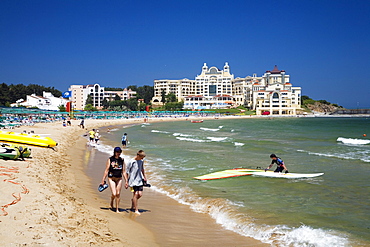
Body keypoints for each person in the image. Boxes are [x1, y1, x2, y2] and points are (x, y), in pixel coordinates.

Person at [100, 147, 128, 213]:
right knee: (114, 193)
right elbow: (106, 170)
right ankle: (112, 200)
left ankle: (117, 208)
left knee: (118, 193)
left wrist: (126, 181)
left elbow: (124, 171)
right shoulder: (110, 159)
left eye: (120, 152)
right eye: (117, 152)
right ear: (114, 152)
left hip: (119, 178)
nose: (119, 153)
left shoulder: (122, 160)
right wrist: (103, 180)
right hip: (111, 178)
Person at [126, 150, 147, 215]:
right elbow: (127, 171)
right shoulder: (131, 161)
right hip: (132, 181)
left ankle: (133, 201)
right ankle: (136, 209)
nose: (142, 159)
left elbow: (142, 169)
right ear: (138, 155)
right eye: (141, 157)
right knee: (135, 194)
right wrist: (126, 181)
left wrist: (145, 177)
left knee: (140, 194)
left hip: (139, 180)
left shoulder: (141, 161)